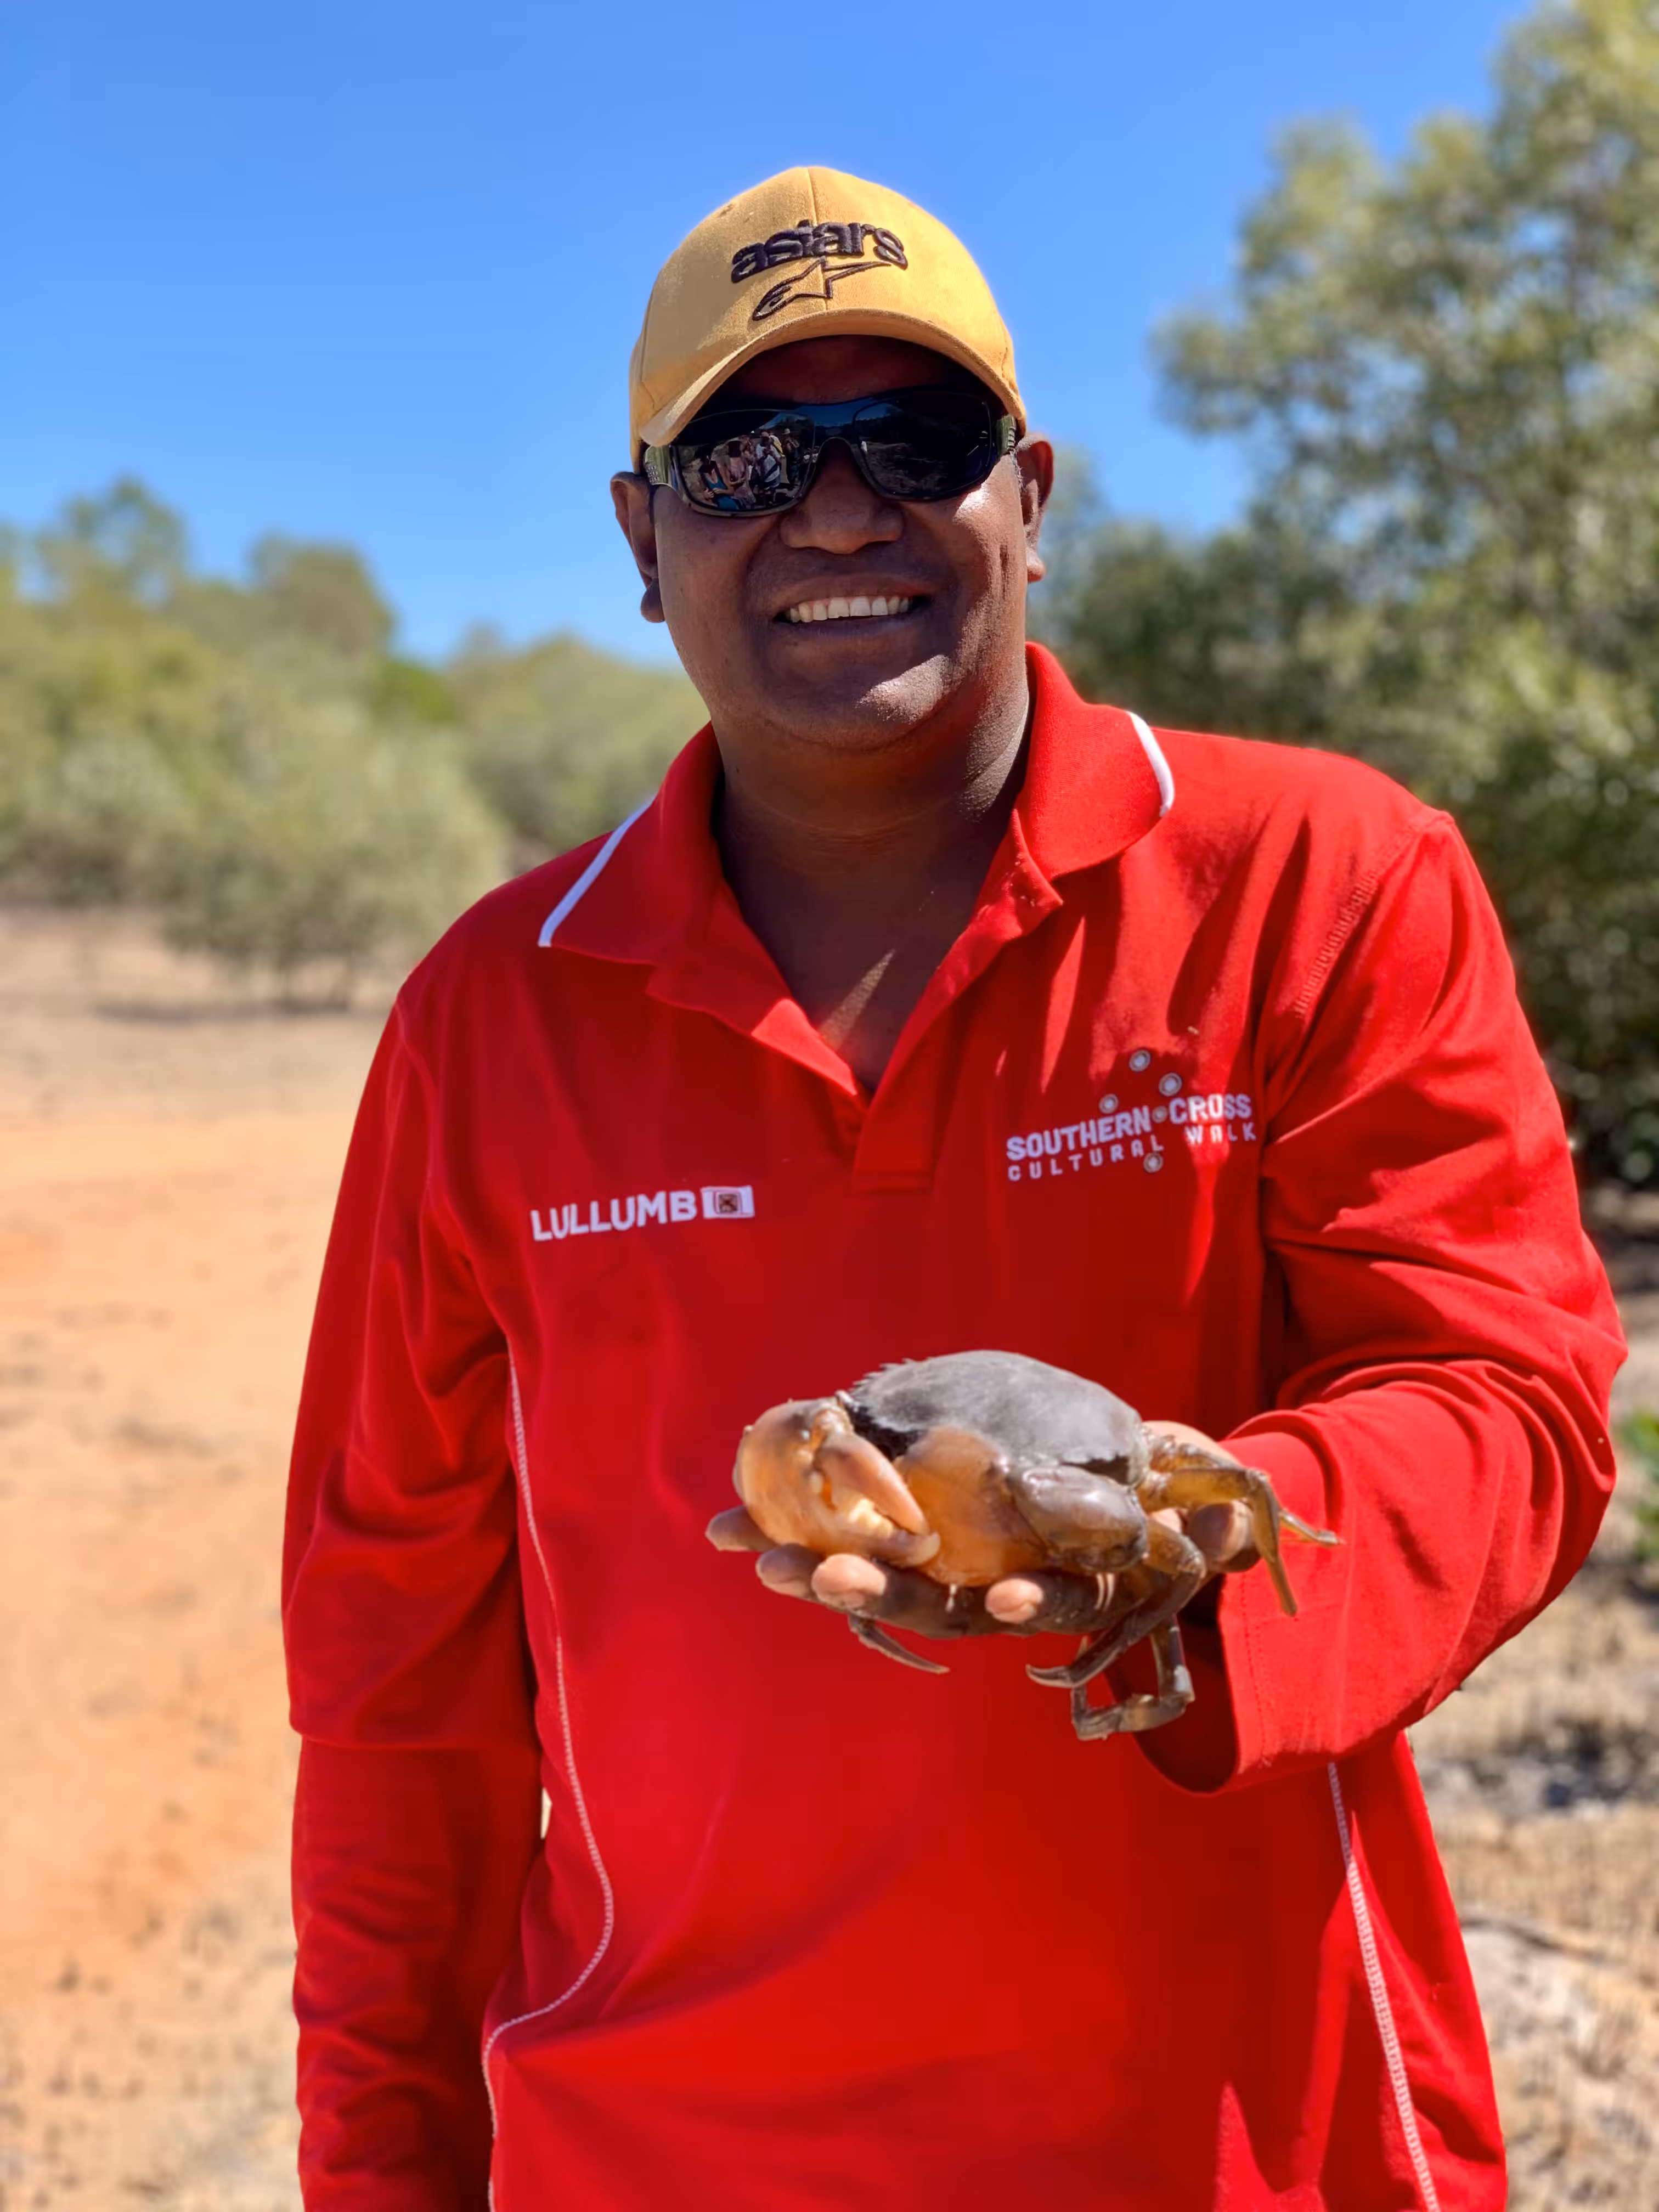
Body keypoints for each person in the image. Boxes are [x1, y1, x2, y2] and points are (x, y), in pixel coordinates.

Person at [282, 166, 1626, 2210]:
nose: (837, 514)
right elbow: (398, 1694)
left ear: (1030, 493)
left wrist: (1205, 1576)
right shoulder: (492, 1017)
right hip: (650, 2153)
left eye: (915, 442)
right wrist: (383, 2170)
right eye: (750, 453)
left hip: (1240, 2137)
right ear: (644, 541)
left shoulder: (1316, 882)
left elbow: (1506, 1393)